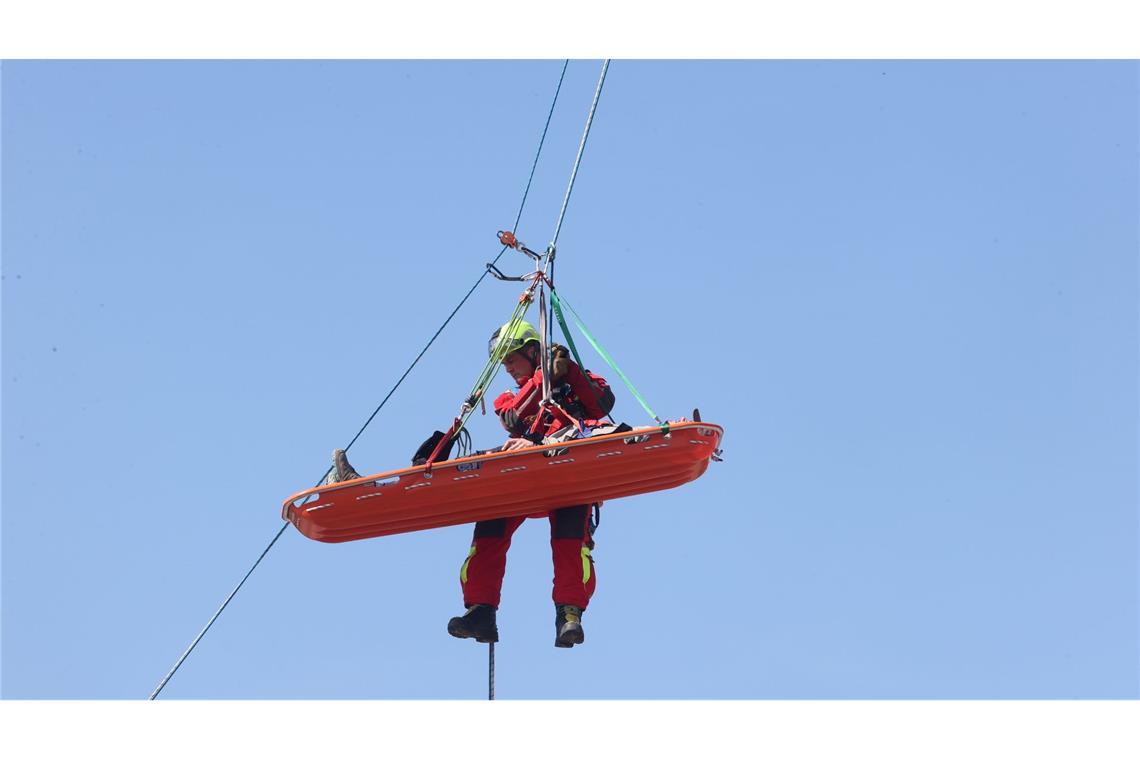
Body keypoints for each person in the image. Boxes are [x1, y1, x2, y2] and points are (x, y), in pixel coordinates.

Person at [329, 319, 614, 648]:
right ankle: (481, 613)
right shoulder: (508, 399)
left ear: (534, 351)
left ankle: (569, 618)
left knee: (569, 543)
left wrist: (569, 371)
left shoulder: (575, 381)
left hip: (569, 466)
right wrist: (543, 377)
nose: (506, 367)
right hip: (523, 471)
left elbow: (602, 403)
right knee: (488, 534)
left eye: (511, 358)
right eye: (503, 361)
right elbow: (515, 419)